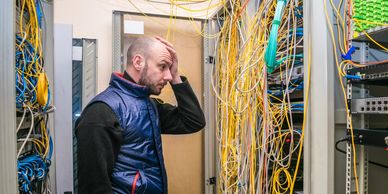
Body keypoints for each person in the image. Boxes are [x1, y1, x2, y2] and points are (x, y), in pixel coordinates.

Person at [75, 36, 206, 194]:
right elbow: (93, 188)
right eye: (162, 66)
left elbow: (193, 121)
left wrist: (176, 75)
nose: (168, 76)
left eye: (169, 69)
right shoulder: (102, 112)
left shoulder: (148, 105)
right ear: (138, 62)